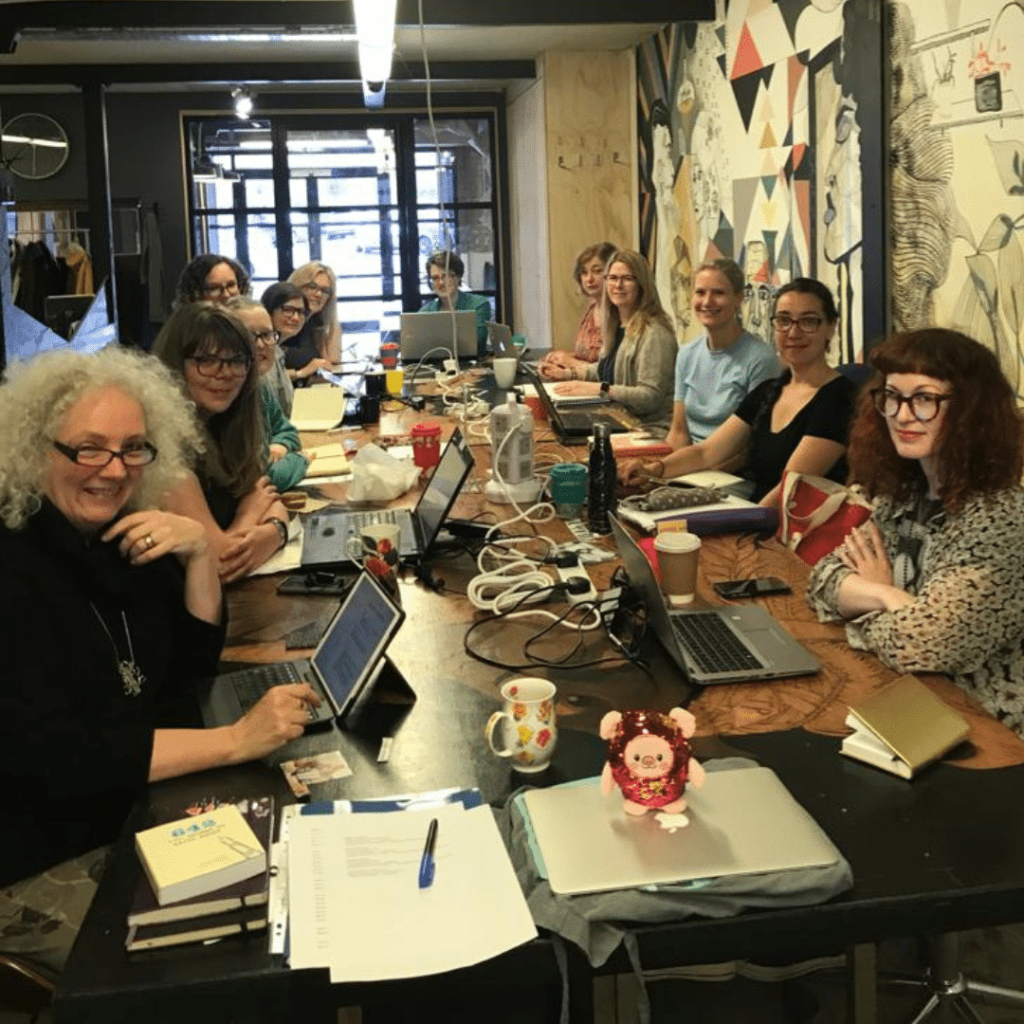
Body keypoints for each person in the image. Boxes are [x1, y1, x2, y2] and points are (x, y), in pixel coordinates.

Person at [0, 346, 319, 972]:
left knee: (296, 884)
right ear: (36, 450)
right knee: (243, 954)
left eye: (132, 449)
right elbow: (63, 757)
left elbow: (187, 671)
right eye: (88, 448)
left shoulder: (112, 536)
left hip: (123, 811)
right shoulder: (15, 568)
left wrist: (200, 554)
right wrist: (234, 741)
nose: (113, 470)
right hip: (38, 855)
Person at [806, 329, 1024, 735]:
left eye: (924, 398)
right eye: (892, 396)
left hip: (989, 730)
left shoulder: (1003, 518)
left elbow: (922, 645)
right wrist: (886, 594)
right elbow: (821, 581)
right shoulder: (904, 494)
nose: (903, 415)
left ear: (970, 410)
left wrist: (864, 602)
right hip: (916, 707)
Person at [620, 278, 856, 507]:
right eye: (784, 320)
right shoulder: (769, 391)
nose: (793, 333)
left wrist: (748, 528)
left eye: (809, 321)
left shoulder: (840, 398)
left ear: (831, 327)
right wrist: (653, 470)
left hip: (791, 529)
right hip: (756, 514)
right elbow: (706, 453)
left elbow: (791, 488)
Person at [153, 302, 292, 581]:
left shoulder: (224, 426)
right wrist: (249, 515)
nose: (225, 372)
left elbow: (270, 498)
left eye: (236, 360)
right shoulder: (164, 453)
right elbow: (218, 565)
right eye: (206, 360)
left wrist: (275, 530)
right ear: (175, 365)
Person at [551, 249, 677, 432]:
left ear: (642, 285)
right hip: (618, 420)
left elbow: (650, 397)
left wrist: (600, 389)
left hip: (648, 428)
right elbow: (607, 369)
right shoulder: (616, 326)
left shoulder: (655, 333)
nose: (618, 285)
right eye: (612, 278)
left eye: (627, 278)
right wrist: (568, 374)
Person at [666, 257, 779, 448]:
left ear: (738, 298)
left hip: (730, 469)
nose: (707, 301)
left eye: (718, 293)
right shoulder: (686, 355)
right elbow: (678, 433)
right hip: (688, 465)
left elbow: (751, 444)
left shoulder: (761, 360)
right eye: (700, 292)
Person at [225, 296, 310, 494]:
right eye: (249, 336)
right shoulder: (227, 397)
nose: (261, 344)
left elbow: (287, 430)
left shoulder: (259, 385)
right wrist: (301, 459)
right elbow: (265, 478)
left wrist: (280, 445)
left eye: (267, 335)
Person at [539, 241, 617, 380]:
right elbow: (587, 356)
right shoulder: (592, 309)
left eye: (597, 271)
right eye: (584, 272)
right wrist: (561, 358)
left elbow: (612, 372)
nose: (589, 279)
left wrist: (571, 363)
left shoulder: (619, 313)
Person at [419, 250, 492, 359]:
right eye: (435, 278)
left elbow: (478, 341)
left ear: (458, 277)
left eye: (446, 276)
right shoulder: (424, 313)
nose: (441, 283)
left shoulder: (479, 305)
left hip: (471, 367)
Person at [260, 282, 309, 413]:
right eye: (288, 310)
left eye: (301, 312)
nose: (296, 318)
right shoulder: (262, 351)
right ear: (268, 311)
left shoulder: (278, 351)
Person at [285, 261, 342, 374]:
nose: (318, 294)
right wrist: (301, 373)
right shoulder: (280, 319)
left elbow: (332, 361)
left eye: (325, 291)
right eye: (312, 287)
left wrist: (330, 317)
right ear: (297, 286)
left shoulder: (314, 322)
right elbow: (265, 376)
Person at [173, 253, 250, 308]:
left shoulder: (251, 324)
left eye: (231, 285)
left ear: (241, 287)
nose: (226, 295)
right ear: (194, 295)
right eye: (214, 288)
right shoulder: (186, 329)